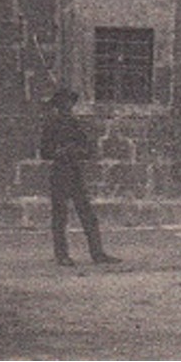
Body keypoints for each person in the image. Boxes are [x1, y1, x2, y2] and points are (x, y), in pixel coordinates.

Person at [39, 89, 121, 266]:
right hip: (60, 172)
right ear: (58, 106)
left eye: (70, 103)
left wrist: (78, 151)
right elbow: (44, 152)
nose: (68, 106)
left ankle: (98, 254)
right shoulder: (51, 125)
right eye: (64, 103)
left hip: (75, 171)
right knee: (60, 215)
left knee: (88, 214)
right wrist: (59, 152)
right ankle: (62, 255)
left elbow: (88, 149)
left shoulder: (76, 125)